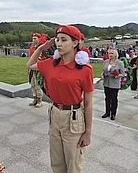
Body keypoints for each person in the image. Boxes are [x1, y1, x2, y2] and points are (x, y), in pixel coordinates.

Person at [27, 25, 94, 173]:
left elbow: (88, 103)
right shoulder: (52, 63)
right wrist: (41, 48)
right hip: (55, 112)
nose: (59, 43)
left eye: (64, 40)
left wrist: (88, 132)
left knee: (73, 163)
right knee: (56, 163)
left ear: (75, 43)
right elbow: (30, 65)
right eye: (57, 40)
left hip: (73, 117)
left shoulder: (85, 70)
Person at [101, 49, 124, 120]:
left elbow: (123, 74)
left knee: (113, 99)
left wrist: (117, 76)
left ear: (115, 54)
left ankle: (113, 113)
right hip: (106, 83)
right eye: (109, 53)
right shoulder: (105, 62)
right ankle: (107, 112)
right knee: (107, 98)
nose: (110, 55)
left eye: (112, 53)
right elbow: (103, 71)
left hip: (114, 83)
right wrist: (102, 75)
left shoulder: (119, 63)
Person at [28, 32, 44, 108]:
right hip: (31, 68)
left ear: (39, 39)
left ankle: (40, 100)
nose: (33, 40)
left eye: (35, 38)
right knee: (32, 84)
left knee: (38, 85)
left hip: (38, 68)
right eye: (33, 38)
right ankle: (35, 99)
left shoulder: (41, 47)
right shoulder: (32, 47)